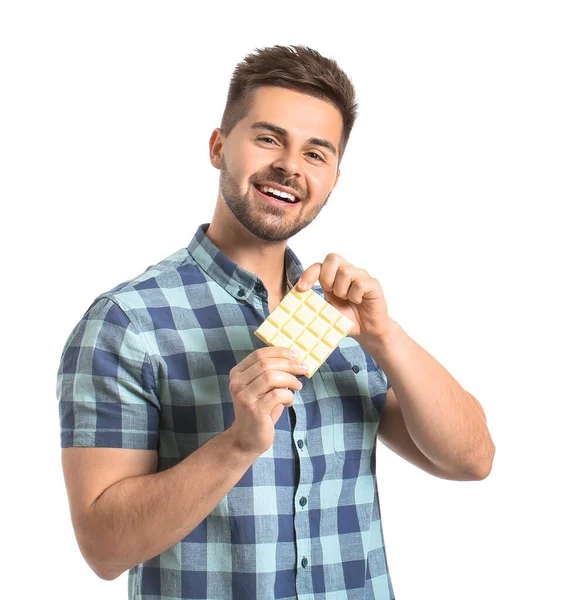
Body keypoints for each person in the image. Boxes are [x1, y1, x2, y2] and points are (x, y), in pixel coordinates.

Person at [57, 44, 495, 600]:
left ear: (334, 176)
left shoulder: (343, 316)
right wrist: (237, 444)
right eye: (269, 139)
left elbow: (472, 459)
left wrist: (386, 336)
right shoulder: (127, 322)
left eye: (316, 153)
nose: (290, 165)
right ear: (219, 146)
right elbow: (103, 548)